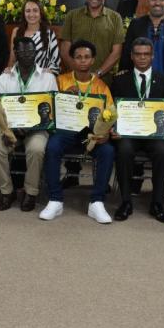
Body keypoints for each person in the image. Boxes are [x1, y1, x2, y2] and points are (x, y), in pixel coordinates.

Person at [39, 39, 116, 224]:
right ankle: (55, 200)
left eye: (87, 57)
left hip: (90, 134)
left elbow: (110, 114)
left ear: (93, 60)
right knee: (52, 147)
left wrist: (105, 133)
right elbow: (50, 109)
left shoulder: (101, 86)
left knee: (108, 151)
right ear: (72, 60)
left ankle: (96, 202)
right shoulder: (61, 80)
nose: (82, 61)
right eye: (78, 57)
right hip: (65, 131)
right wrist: (64, 97)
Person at [110, 37, 164, 221]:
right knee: (124, 150)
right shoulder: (120, 80)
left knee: (163, 152)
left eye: (146, 54)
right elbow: (113, 109)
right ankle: (125, 202)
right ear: (131, 56)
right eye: (138, 54)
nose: (142, 58)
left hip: (155, 134)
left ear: (153, 56)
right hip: (128, 133)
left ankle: (157, 203)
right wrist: (113, 128)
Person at [58, 0, 125, 83]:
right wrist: (79, 74)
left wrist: (98, 74)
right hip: (74, 82)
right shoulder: (72, 15)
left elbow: (116, 52)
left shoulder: (115, 18)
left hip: (103, 82)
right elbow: (65, 51)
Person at [6, 0, 60, 74]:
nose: (31, 14)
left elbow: (55, 63)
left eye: (35, 10)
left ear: (40, 13)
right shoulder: (17, 31)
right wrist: (9, 71)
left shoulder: (49, 34)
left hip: (42, 77)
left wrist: (41, 74)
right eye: (28, 11)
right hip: (20, 77)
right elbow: (12, 59)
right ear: (24, 14)